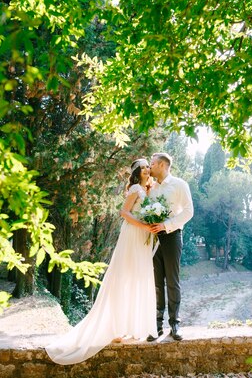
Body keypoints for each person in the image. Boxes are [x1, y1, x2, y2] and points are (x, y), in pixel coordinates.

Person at [45, 158, 157, 365]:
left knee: (138, 278)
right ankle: (114, 326)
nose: (146, 170)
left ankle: (133, 326)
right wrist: (143, 225)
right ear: (136, 172)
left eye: (147, 167)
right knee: (124, 276)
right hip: (133, 233)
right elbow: (124, 212)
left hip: (143, 236)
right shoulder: (135, 189)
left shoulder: (147, 189)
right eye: (142, 168)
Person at [147, 152, 194, 341]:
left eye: (151, 164)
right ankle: (156, 325)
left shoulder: (180, 185)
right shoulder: (151, 188)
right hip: (152, 239)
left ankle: (174, 324)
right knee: (156, 283)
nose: (149, 168)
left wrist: (166, 225)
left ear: (161, 165)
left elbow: (189, 211)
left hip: (172, 237)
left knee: (173, 282)